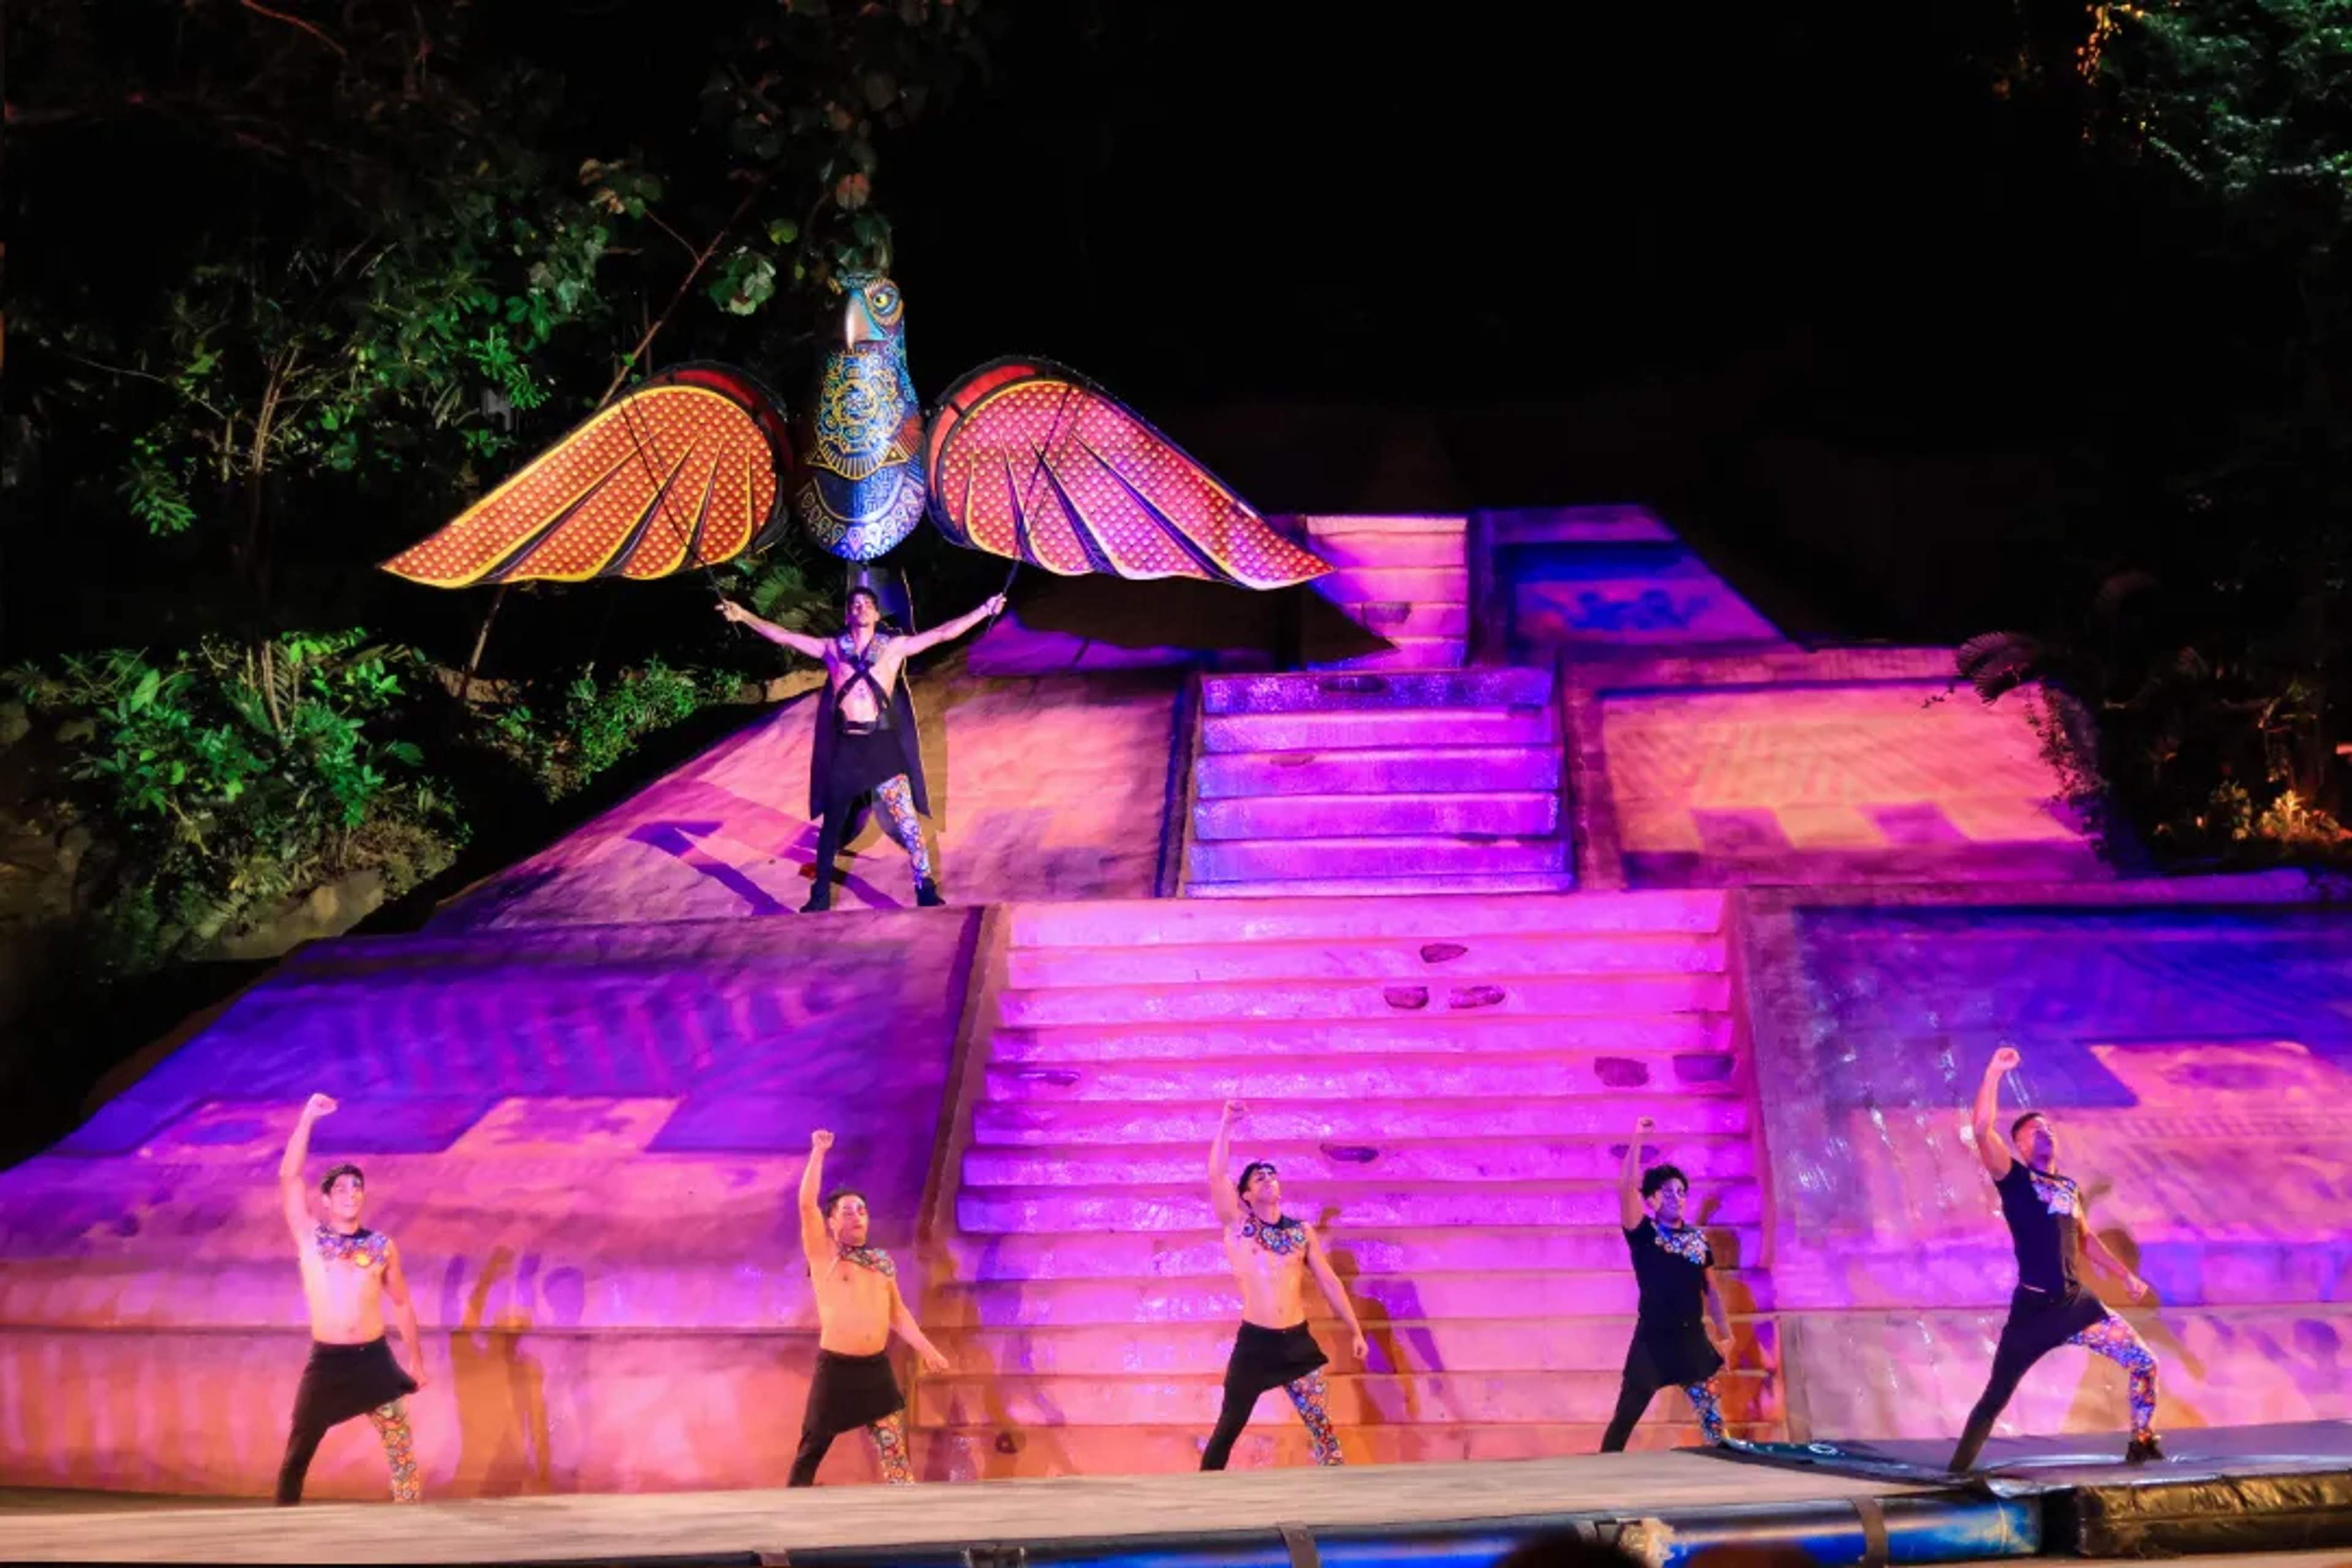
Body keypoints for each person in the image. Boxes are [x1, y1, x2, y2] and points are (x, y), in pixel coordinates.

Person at [717, 585, 1005, 911]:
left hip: (882, 747)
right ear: (847, 615)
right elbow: (783, 636)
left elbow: (942, 634)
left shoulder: (893, 648)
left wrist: (985, 610)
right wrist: (743, 616)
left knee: (908, 822)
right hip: (848, 750)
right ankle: (819, 897)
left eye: (868, 604)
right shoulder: (831, 648)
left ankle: (925, 889)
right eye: (855, 604)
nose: (861, 608)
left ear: (877, 614)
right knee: (831, 828)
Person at [1947, 1046, 2163, 1472]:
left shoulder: (2067, 1188)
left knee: (2145, 1363)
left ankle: (2142, 1440)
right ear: (2020, 1145)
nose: (2044, 1132)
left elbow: (2085, 1240)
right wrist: (1994, 1072)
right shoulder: (2014, 1178)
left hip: (2078, 1307)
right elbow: (1981, 1128)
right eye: (2034, 1130)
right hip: (2033, 1314)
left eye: (2048, 1128)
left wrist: (2125, 1276)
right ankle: (1956, 1473)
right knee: (1995, 1397)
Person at [274, 1093, 427, 1504]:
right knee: (298, 1451)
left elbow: (402, 1303)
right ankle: (280, 1526)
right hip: (327, 1362)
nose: (350, 1193)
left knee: (401, 1450)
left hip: (373, 1360)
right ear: (325, 1200)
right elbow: (290, 1177)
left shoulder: (381, 1246)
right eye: (340, 1189)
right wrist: (307, 1118)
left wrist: (416, 1361)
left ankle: (413, 1526)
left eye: (356, 1188)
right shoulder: (311, 1236)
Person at [1199, 1099, 1368, 1469]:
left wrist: (1355, 1330)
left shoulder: (1301, 1232)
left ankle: (1339, 1498)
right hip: (1255, 1346)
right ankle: (1202, 1495)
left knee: (1324, 1432)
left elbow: (1330, 1282)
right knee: (1228, 1427)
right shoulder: (1238, 1227)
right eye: (1258, 1177)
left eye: (1272, 1174)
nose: (1268, 1178)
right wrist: (1226, 1124)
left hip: (1296, 1344)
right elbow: (1216, 1175)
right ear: (1245, 1195)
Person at [789, 1128, 951, 1485]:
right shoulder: (824, 1254)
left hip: (875, 1369)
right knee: (812, 1446)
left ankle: (905, 1509)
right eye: (848, 1212)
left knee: (894, 1451)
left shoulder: (881, 1261)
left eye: (862, 1211)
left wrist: (929, 1350)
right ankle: (792, 1507)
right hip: (836, 1369)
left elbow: (897, 1314)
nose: (857, 1217)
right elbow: (806, 1205)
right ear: (832, 1222)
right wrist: (818, 1153)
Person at [1600, 1115, 1735, 1452]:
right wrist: (1637, 1139)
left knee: (1715, 1426)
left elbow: (1712, 1292)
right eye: (1667, 1192)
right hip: (1652, 1343)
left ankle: (1728, 1474)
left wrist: (1725, 1334)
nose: (1677, 1197)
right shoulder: (1643, 1233)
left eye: (1681, 1192)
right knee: (1623, 1422)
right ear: (1651, 1200)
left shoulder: (1697, 1241)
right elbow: (1625, 1189)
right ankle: (1602, 1472)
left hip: (1692, 1343)